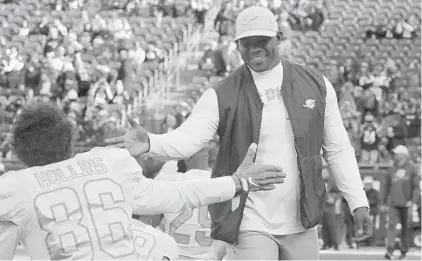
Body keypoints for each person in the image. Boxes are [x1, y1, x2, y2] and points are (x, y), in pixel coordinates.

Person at [106, 6, 373, 260]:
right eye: (247, 42)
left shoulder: (317, 85)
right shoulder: (221, 94)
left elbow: (338, 149)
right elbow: (188, 140)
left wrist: (357, 202)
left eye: (262, 40)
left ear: (278, 38)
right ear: (237, 46)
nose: (255, 48)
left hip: (303, 219)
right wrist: (151, 141)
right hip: (248, 217)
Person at [0, 101, 286, 259]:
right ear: (67, 137)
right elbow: (179, 194)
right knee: (151, 238)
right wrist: (237, 182)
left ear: (20, 149)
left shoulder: (16, 186)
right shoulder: (109, 162)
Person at [157, 147, 226, 260]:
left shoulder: (167, 181)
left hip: (174, 256)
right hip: (208, 257)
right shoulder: (224, 184)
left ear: (186, 156)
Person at [381, 145, 421, 260]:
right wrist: (383, 202)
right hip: (393, 203)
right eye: (395, 153)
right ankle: (390, 250)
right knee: (391, 226)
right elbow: (386, 187)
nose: (395, 155)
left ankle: (404, 252)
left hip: (406, 203)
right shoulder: (391, 169)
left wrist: (412, 201)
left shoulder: (411, 169)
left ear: (404, 155)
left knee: (406, 228)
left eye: (397, 153)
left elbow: (416, 187)